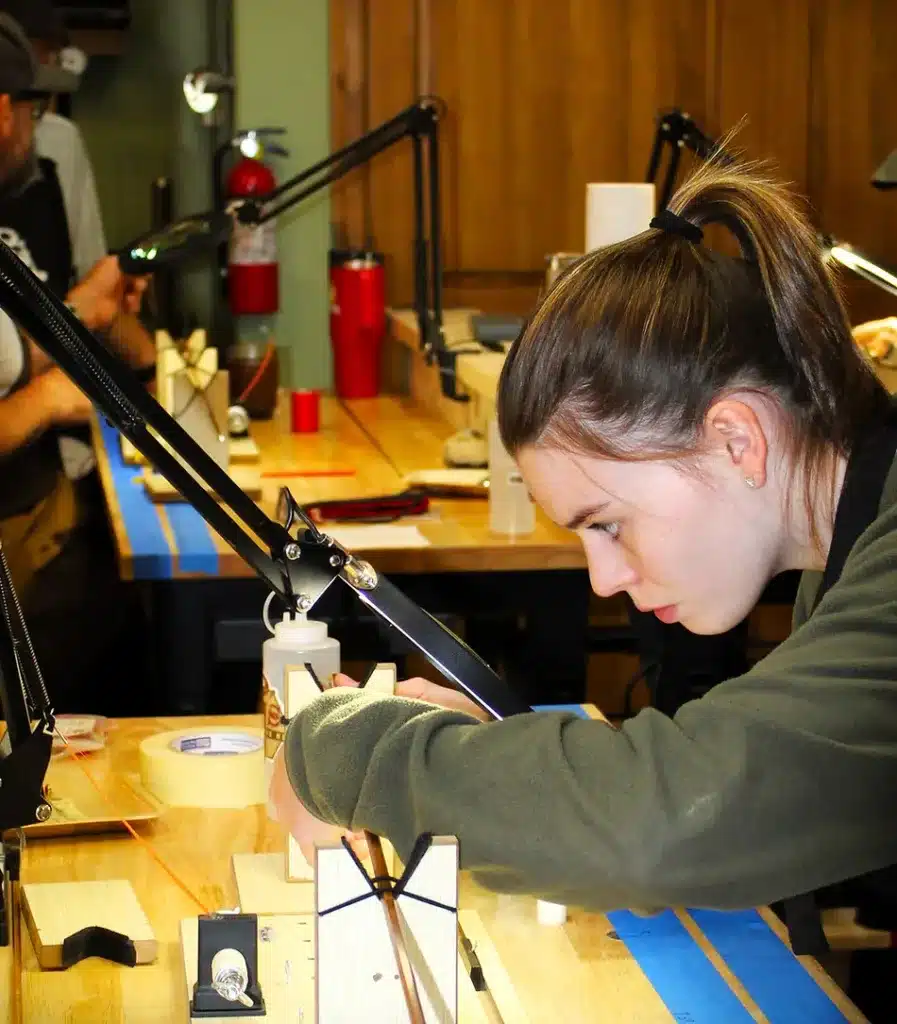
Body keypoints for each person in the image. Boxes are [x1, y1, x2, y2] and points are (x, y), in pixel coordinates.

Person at [271, 155, 897, 1011]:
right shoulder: (852, 543)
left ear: (735, 441)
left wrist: (339, 747)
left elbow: (664, 818)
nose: (604, 578)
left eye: (607, 521)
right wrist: (479, 761)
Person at [0, 12, 150, 713]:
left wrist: (97, 309)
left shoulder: (52, 161)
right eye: (36, 106)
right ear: (5, 111)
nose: (42, 124)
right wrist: (50, 396)